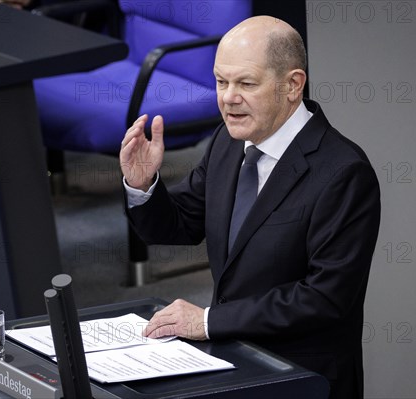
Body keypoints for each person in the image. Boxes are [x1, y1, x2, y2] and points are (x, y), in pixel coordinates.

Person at [119, 15, 380, 399]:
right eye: (221, 81)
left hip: (301, 378)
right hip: (229, 362)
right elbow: (179, 225)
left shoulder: (343, 173)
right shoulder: (228, 140)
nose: (227, 98)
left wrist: (208, 321)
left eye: (245, 83)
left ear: (293, 85)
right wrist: (143, 185)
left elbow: (323, 298)